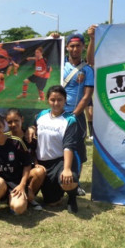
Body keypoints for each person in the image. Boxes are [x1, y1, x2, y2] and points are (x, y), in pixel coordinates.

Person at [35, 85, 81, 213]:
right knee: (51, 202)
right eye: (52, 99)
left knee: (68, 178)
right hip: (41, 163)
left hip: (58, 162)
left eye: (59, 99)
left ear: (65, 100)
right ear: (48, 100)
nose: (56, 103)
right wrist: (30, 129)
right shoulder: (41, 115)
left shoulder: (70, 119)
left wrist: (66, 169)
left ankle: (72, 198)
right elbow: (33, 130)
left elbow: (68, 145)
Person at [63, 33, 94, 195]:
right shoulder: (58, 65)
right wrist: (53, 39)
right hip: (56, 114)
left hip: (76, 115)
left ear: (82, 47)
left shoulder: (87, 70)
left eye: (78, 46)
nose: (75, 49)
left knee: (77, 149)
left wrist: (74, 115)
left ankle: (76, 181)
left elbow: (87, 96)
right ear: (67, 47)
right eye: (72, 46)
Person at [5, 108, 45, 210]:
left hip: (26, 173)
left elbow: (33, 152)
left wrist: (35, 162)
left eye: (16, 120)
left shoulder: (30, 136)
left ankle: (29, 197)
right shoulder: (4, 139)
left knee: (40, 171)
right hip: (11, 176)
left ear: (22, 119)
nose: (13, 124)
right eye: (10, 122)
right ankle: (14, 198)